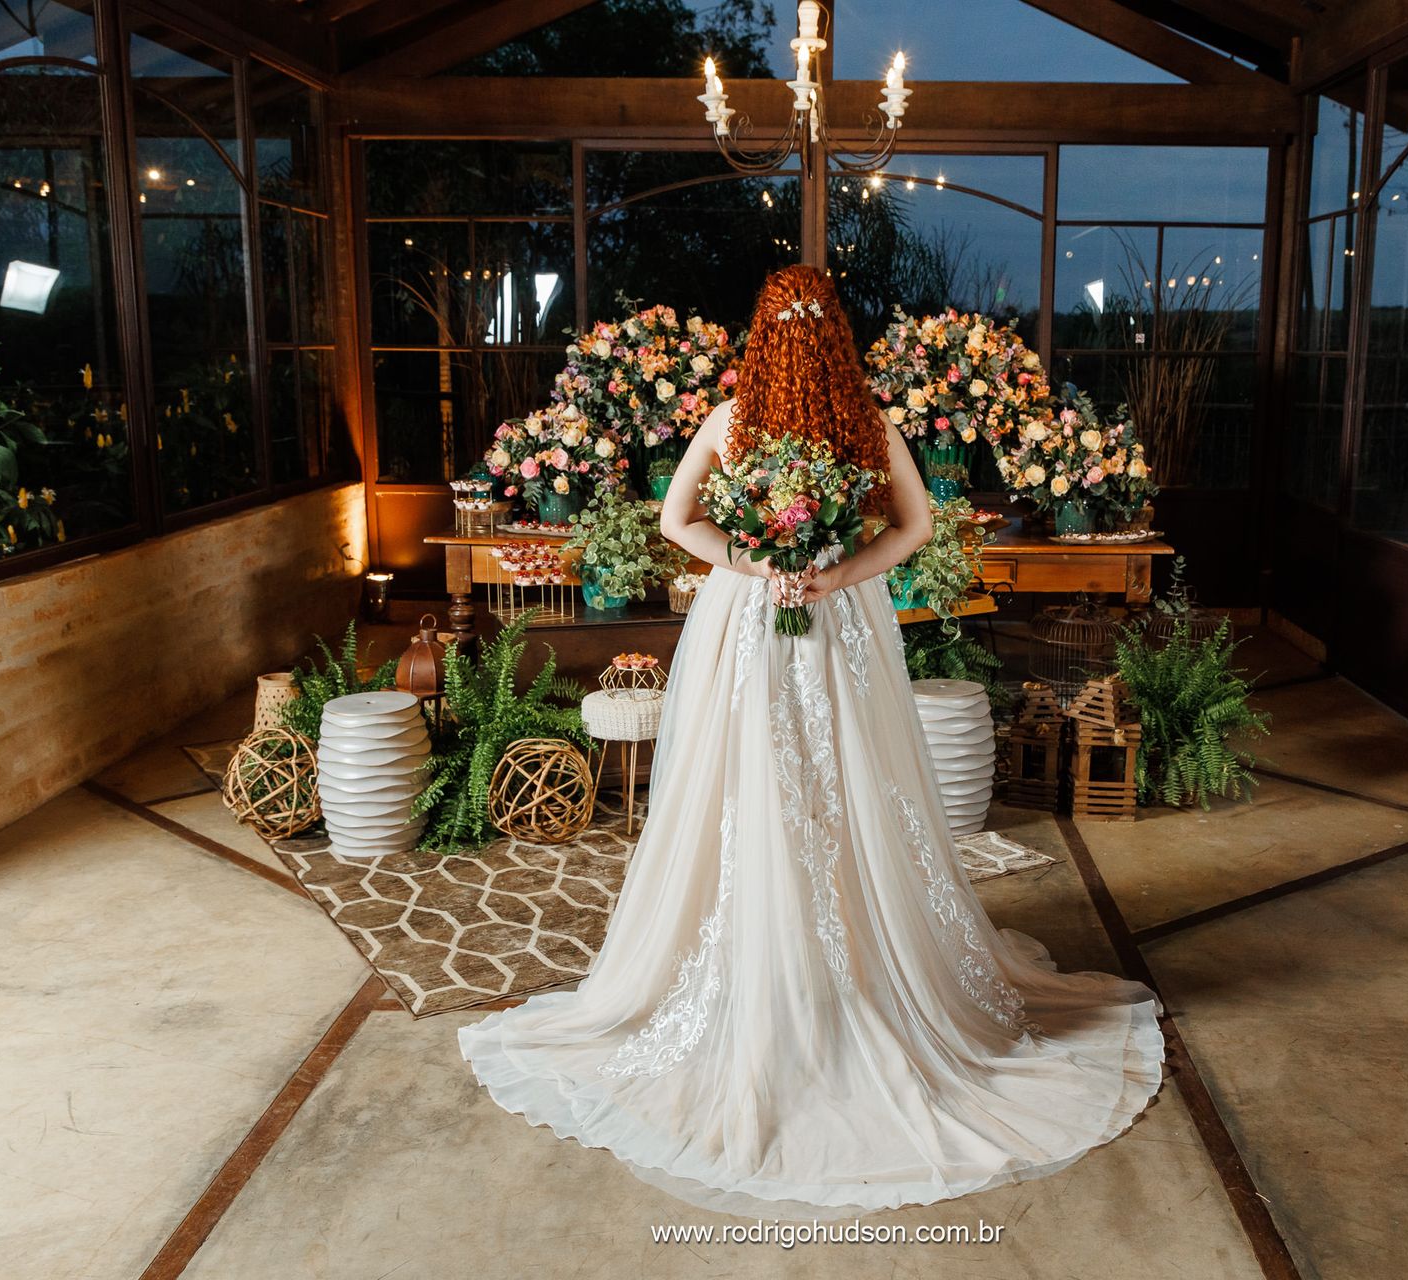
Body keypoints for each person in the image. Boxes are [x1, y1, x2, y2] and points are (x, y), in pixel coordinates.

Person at [459, 264, 1163, 1216]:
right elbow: (914, 528)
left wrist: (753, 561)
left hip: (749, 625)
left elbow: (677, 522)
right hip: (839, 623)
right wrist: (831, 575)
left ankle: (782, 963)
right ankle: (846, 964)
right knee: (846, 784)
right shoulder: (865, 422)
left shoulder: (734, 418)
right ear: (836, 339)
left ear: (763, 341)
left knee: (745, 786)